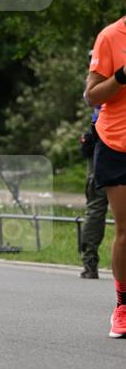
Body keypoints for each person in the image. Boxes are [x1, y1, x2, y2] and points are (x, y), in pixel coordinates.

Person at [85, 15, 126, 337]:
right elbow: (93, 96)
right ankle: (123, 306)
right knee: (125, 229)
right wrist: (122, 76)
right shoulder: (111, 36)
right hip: (118, 142)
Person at [78, 102, 108, 279]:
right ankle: (89, 261)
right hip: (103, 141)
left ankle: (90, 263)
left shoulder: (100, 76)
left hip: (102, 141)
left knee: (96, 208)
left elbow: (91, 96)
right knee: (96, 208)